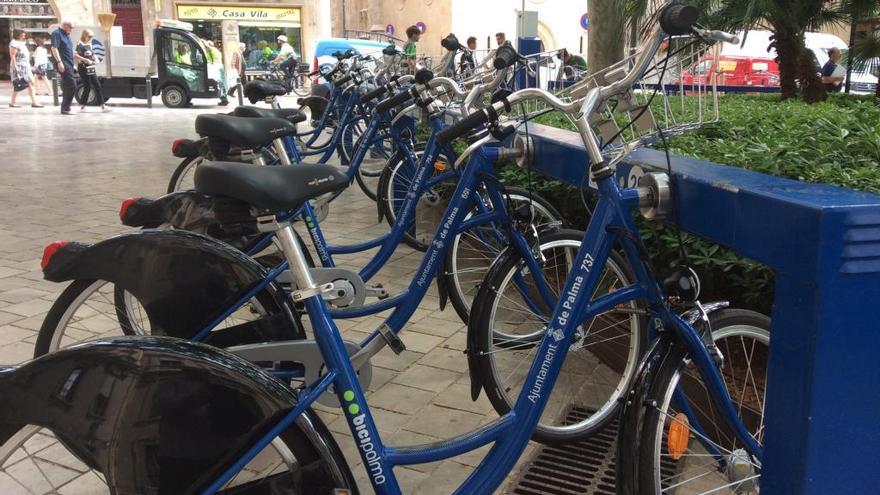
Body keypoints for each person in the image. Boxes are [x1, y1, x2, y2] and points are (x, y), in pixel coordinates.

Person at [75, 28, 109, 112]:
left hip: (90, 67)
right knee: (87, 86)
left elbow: (92, 53)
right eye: (89, 36)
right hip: (83, 67)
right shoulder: (80, 44)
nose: (91, 38)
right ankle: (83, 106)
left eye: (92, 36)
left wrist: (95, 58)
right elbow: (75, 55)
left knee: (97, 85)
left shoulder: (89, 44)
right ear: (84, 36)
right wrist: (85, 60)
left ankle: (103, 106)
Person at [8, 29, 41, 108]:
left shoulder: (21, 43)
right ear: (18, 34)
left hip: (25, 67)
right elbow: (12, 56)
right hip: (20, 67)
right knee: (20, 84)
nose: (24, 35)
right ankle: (33, 102)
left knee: (29, 83)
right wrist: (15, 67)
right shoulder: (14, 43)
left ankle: (33, 102)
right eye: (22, 34)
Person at [50, 21, 75, 114]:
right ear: (64, 25)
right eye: (70, 27)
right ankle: (66, 108)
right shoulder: (56, 33)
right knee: (72, 84)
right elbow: (54, 48)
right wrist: (59, 62)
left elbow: (69, 49)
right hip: (63, 63)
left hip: (69, 63)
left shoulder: (67, 35)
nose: (71, 30)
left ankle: (65, 107)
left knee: (67, 85)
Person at [205, 40, 228, 105]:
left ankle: (224, 99)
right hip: (219, 68)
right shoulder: (215, 50)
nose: (205, 49)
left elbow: (213, 61)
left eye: (206, 47)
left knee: (220, 84)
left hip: (217, 69)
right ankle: (224, 99)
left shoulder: (212, 50)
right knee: (221, 84)